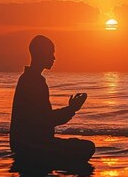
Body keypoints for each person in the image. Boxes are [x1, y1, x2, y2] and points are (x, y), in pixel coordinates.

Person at [10, 35, 95, 163]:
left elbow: (43, 118)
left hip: (27, 143)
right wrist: (72, 109)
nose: (54, 57)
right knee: (87, 148)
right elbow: (46, 120)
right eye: (51, 53)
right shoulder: (33, 82)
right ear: (41, 54)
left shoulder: (30, 79)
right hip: (31, 146)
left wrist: (70, 109)